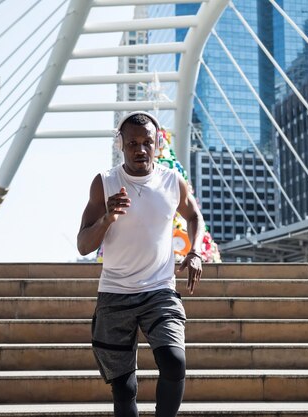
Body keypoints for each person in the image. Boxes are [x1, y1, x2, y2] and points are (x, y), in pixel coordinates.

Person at [77, 111, 205, 417]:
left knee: (174, 362)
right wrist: (107, 219)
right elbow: (83, 245)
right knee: (124, 389)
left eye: (147, 141)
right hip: (115, 293)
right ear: (120, 144)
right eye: (132, 142)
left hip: (159, 290)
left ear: (158, 143)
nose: (140, 149)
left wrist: (196, 251)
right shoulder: (105, 183)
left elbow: (193, 216)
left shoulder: (172, 181)